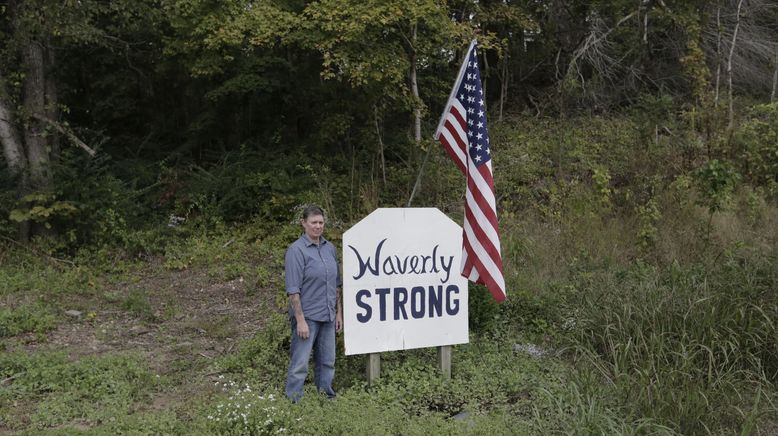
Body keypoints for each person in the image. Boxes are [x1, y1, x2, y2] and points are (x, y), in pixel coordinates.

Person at [284, 205, 343, 402]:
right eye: (313, 223)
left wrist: (339, 314)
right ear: (304, 223)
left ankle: (326, 399)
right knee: (300, 363)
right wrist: (300, 320)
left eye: (321, 222)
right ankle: (294, 402)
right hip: (307, 317)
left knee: (328, 362)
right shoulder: (296, 250)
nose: (318, 226)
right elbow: (293, 290)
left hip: (328, 315)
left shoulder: (330, 249)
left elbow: (336, 285)